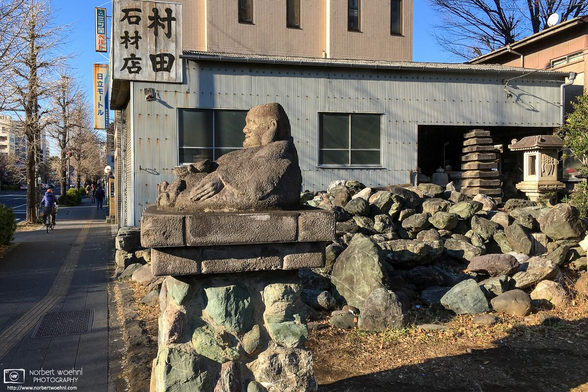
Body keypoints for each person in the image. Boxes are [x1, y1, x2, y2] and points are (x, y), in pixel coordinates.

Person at [157, 102, 302, 212]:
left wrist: (221, 176)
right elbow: (234, 163)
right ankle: (173, 192)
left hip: (243, 193)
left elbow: (259, 173)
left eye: (250, 123)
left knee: (191, 196)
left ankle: (172, 197)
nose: (245, 129)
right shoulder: (262, 149)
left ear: (272, 126)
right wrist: (206, 167)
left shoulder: (280, 152)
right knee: (192, 185)